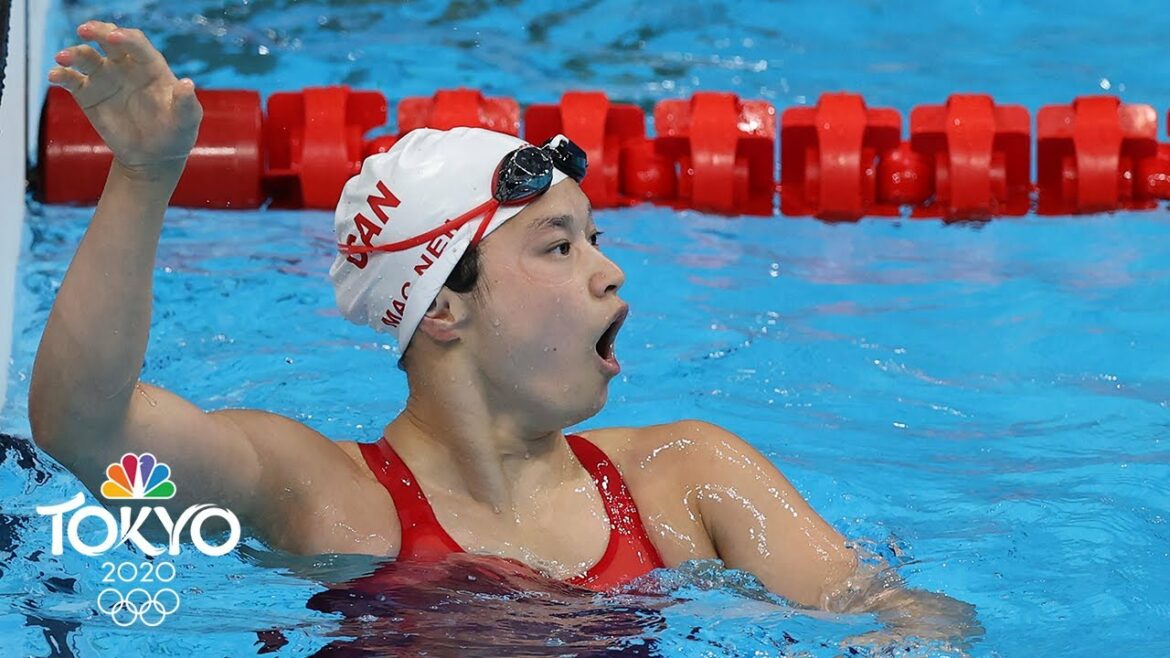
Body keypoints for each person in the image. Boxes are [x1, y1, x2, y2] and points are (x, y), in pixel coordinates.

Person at [32, 20, 979, 645]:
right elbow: (85, 428)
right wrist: (144, 178)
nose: (609, 270)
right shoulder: (323, 498)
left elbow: (902, 612)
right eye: (559, 246)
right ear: (441, 305)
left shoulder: (689, 479)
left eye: (597, 240)